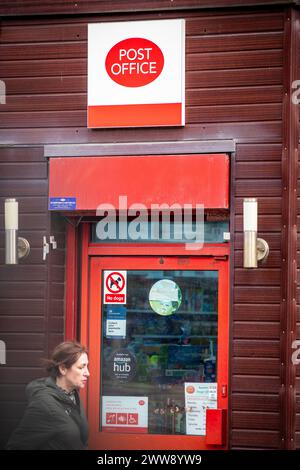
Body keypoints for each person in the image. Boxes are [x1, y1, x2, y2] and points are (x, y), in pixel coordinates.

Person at [6, 340, 90, 450]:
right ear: (63, 369)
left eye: (87, 366)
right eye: (81, 367)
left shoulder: (73, 394)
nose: (88, 373)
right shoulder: (44, 405)